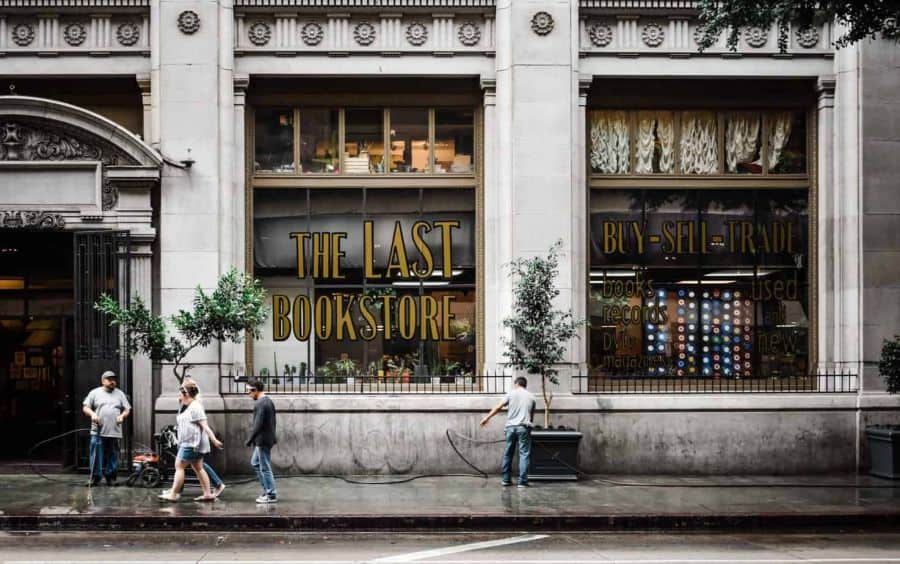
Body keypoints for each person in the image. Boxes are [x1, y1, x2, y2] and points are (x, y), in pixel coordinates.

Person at [158, 379, 224, 502]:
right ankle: (207, 494)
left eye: (180, 394)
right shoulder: (189, 406)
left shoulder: (195, 407)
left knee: (179, 466)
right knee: (198, 467)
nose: (178, 397)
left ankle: (173, 494)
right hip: (192, 443)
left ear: (186, 394)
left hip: (191, 443)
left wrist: (214, 440)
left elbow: (205, 426)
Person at [480, 376, 536, 488]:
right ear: (525, 385)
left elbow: (498, 407)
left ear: (516, 384)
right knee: (524, 454)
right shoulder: (531, 397)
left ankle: (506, 480)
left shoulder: (511, 393)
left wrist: (487, 418)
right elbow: (531, 416)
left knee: (508, 453)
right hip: (524, 427)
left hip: (511, 427)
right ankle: (522, 482)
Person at [82, 371, 131, 487]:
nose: (113, 381)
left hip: (114, 430)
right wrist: (93, 414)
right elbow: (85, 407)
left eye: (114, 379)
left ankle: (111, 477)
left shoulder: (120, 394)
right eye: (109, 379)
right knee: (96, 455)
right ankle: (95, 477)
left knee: (113, 454)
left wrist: (122, 416)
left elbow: (127, 409)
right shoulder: (94, 393)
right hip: (98, 430)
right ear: (103, 381)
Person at [246, 379, 277, 504]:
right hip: (265, 439)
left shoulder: (261, 404)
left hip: (262, 440)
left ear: (255, 390)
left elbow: (257, 425)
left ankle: (271, 494)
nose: (247, 394)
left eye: (248, 391)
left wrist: (249, 439)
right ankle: (267, 491)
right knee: (255, 463)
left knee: (265, 467)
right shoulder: (268, 401)